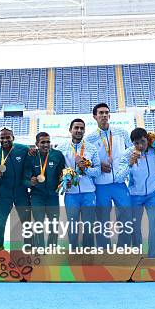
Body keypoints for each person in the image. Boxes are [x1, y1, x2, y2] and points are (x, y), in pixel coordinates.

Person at [86, 103, 132, 247]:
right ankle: (104, 249)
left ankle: (123, 247)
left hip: (119, 183)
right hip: (100, 186)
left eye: (106, 112)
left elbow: (133, 150)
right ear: (95, 117)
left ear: (110, 115)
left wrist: (125, 167)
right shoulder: (90, 139)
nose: (104, 115)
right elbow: (87, 162)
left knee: (126, 216)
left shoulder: (122, 132)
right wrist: (98, 166)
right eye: (101, 113)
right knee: (102, 220)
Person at [115, 128, 155, 257]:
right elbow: (119, 177)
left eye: (143, 141)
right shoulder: (127, 154)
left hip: (153, 194)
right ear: (132, 143)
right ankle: (138, 256)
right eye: (136, 143)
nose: (140, 146)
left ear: (147, 139)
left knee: (154, 224)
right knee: (135, 227)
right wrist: (130, 164)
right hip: (135, 196)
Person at [57, 119, 101, 248]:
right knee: (72, 224)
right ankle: (74, 251)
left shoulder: (91, 148)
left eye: (82, 128)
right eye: (76, 128)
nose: (79, 130)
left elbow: (97, 171)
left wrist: (85, 169)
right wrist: (64, 181)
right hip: (71, 194)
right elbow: (58, 172)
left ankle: (88, 251)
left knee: (89, 224)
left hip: (88, 193)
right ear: (70, 130)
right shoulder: (61, 149)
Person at [0, 127, 31, 248]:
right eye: (2, 137)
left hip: (21, 194)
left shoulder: (23, 149)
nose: (5, 140)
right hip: (3, 195)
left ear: (13, 137)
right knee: (1, 223)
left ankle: (29, 249)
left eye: (8, 137)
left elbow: (30, 164)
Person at [23, 132, 65, 247]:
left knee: (54, 225)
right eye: (42, 142)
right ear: (36, 144)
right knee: (38, 224)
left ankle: (52, 249)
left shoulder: (57, 155)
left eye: (48, 142)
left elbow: (62, 175)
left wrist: (64, 182)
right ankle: (40, 249)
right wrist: (30, 182)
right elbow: (24, 180)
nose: (46, 145)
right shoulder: (31, 157)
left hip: (53, 196)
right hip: (37, 197)